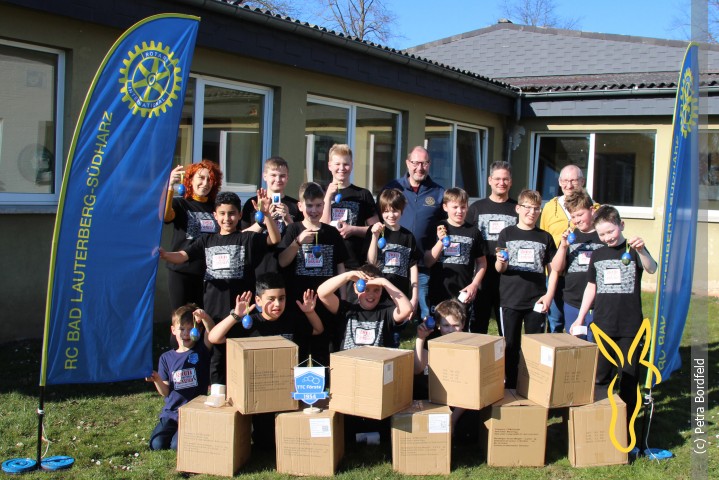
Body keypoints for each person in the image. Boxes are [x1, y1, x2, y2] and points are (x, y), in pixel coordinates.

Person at [160, 190, 280, 384]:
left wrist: (266, 216)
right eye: (222, 214)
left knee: (241, 351)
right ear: (215, 216)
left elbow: (274, 240)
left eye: (232, 213)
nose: (227, 218)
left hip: (242, 310)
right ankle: (218, 390)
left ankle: (243, 388)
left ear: (240, 215)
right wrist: (165, 254)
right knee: (217, 353)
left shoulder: (247, 239)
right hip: (215, 308)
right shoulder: (206, 241)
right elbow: (183, 256)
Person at [207, 272, 322, 449]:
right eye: (271, 299)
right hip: (259, 392)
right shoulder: (250, 323)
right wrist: (235, 315)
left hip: (287, 390)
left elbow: (317, 330)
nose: (277, 304)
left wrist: (310, 312)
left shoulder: (291, 320)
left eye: (282, 298)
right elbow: (214, 338)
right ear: (259, 301)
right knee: (265, 442)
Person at [570, 205, 657, 424]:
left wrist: (643, 250)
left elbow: (652, 268)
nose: (607, 237)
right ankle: (599, 423)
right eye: (602, 234)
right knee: (600, 377)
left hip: (630, 329)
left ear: (622, 225)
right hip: (602, 327)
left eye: (611, 231)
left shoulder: (633, 249)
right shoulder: (597, 254)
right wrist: (580, 318)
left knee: (628, 377)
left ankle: (627, 426)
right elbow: (591, 287)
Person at [278, 182, 348, 366]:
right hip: (298, 302)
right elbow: (282, 261)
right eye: (309, 205)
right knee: (298, 349)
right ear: (300, 206)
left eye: (318, 205)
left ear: (324, 206)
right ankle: (298, 392)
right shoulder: (293, 230)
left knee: (323, 350)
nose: (314, 210)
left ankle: (322, 389)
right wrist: (297, 242)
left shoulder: (332, 233)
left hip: (325, 301)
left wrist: (343, 295)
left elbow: (341, 264)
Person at [495, 189, 559, 389]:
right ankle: (511, 387)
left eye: (536, 208)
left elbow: (554, 270)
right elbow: (500, 268)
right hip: (510, 299)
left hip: (536, 301)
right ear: (518, 208)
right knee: (511, 346)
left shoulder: (545, 237)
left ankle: (535, 387)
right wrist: (500, 261)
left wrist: (549, 296)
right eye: (528, 208)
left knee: (536, 348)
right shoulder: (507, 233)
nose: (532, 212)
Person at [381, 146, 445, 320]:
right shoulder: (393, 188)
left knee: (424, 316)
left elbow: (444, 225)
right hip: (393, 265)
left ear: (429, 164)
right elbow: (381, 218)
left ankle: (421, 347)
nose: (420, 168)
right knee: (392, 314)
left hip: (423, 265)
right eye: (416, 163)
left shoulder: (439, 192)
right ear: (408, 163)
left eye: (424, 163)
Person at [146, 304, 215, 451]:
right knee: (156, 444)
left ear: (199, 330)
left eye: (191, 329)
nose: (186, 333)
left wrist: (205, 318)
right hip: (171, 413)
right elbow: (165, 392)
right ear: (173, 330)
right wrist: (157, 379)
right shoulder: (166, 358)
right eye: (182, 329)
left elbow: (211, 333)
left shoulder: (201, 351)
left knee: (176, 446)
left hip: (193, 411)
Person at [412, 298, 477, 441]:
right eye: (446, 325)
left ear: (463, 324)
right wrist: (420, 339)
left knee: (468, 432)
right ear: (438, 326)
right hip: (431, 401)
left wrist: (452, 420)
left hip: (458, 404)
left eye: (455, 325)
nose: (451, 330)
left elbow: (470, 391)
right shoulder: (430, 344)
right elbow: (417, 369)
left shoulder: (470, 349)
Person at [164, 160, 223, 311]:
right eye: (201, 178)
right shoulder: (181, 204)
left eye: (210, 179)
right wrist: (170, 187)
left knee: (203, 320)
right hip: (182, 272)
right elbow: (166, 216)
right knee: (181, 320)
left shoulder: (216, 208)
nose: (205, 183)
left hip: (208, 274)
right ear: (190, 180)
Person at [466, 161, 518, 334]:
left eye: (505, 179)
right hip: (482, 274)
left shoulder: (517, 209)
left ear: (511, 181)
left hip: (508, 277)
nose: (501, 183)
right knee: (478, 325)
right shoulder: (476, 208)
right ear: (489, 180)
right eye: (497, 179)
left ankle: (506, 361)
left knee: (506, 328)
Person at [365, 188, 421, 346]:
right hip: (378, 296)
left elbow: (413, 266)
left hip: (398, 296)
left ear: (402, 210)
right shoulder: (376, 232)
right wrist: (374, 237)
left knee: (394, 339)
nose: (391, 215)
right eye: (386, 211)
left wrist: (414, 295)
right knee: (375, 338)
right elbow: (371, 262)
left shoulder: (408, 237)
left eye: (395, 211)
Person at [316, 263, 413, 350]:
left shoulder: (385, 312)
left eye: (376, 290)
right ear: (356, 288)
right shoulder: (347, 310)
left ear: (382, 290)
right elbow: (322, 293)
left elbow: (407, 309)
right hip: (349, 364)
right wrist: (347, 276)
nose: (371, 295)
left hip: (375, 366)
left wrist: (384, 282)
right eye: (366, 289)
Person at [424, 188, 487, 320]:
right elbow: (428, 261)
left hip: (463, 292)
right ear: (445, 207)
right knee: (436, 333)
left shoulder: (473, 232)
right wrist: (441, 242)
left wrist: (474, 284)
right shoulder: (436, 228)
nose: (459, 211)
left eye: (463, 207)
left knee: (460, 333)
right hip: (439, 291)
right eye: (455, 207)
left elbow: (482, 262)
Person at [539, 164, 588, 334]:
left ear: (582, 181)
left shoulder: (594, 208)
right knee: (555, 320)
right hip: (554, 274)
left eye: (573, 180)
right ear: (559, 182)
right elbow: (543, 239)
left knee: (582, 320)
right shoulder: (549, 208)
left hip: (581, 274)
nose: (569, 185)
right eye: (565, 181)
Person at [549, 190, 603, 342]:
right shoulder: (571, 236)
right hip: (573, 301)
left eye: (580, 215)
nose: (576, 220)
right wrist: (563, 247)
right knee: (576, 346)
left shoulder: (603, 235)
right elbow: (557, 268)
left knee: (597, 345)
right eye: (573, 216)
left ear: (592, 210)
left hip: (598, 303)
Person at [320, 144, 379, 272]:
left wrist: (353, 230)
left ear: (352, 165)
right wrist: (328, 197)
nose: (342, 168)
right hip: (328, 263)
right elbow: (321, 228)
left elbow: (377, 229)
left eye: (346, 164)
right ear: (330, 165)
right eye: (337, 164)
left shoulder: (363, 194)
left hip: (355, 264)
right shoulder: (321, 194)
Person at [240, 157, 302, 276]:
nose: (278, 179)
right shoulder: (252, 203)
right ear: (265, 176)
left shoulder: (295, 205)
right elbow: (242, 235)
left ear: (287, 178)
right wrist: (264, 219)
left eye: (282, 176)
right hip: (258, 262)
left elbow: (301, 237)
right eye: (273, 175)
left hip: (286, 262)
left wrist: (288, 218)